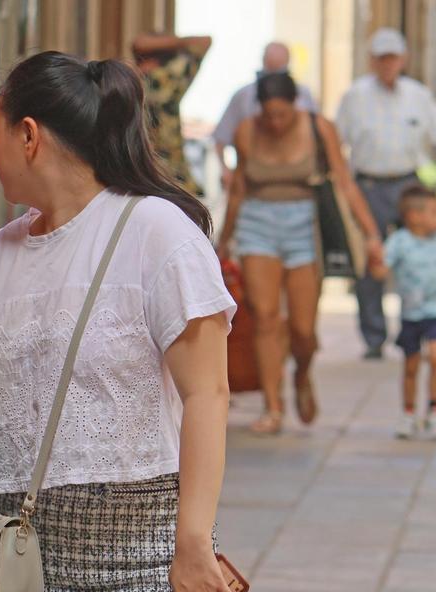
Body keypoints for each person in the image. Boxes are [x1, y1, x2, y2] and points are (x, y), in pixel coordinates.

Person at [0, 53, 238, 592]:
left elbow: (207, 395)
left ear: (26, 134)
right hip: (16, 572)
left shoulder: (157, 231)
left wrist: (192, 544)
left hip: (137, 560)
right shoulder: (4, 250)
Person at [217, 73, 381, 435]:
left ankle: (302, 373)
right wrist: (223, 241)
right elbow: (239, 190)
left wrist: (371, 235)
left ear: (296, 105)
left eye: (283, 115)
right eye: (269, 115)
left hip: (306, 226)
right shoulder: (246, 130)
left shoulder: (319, 128)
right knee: (264, 316)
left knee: (303, 329)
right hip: (257, 222)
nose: (276, 123)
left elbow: (344, 181)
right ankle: (273, 406)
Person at [336, 27, 436, 359]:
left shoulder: (417, 95)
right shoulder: (355, 96)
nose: (387, 64)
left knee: (423, 256)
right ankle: (374, 336)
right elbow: (335, 142)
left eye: (393, 57)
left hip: (409, 185)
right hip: (368, 187)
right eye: (381, 58)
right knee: (373, 259)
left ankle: (422, 326)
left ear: (403, 59)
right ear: (372, 60)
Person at [372, 185, 436, 440]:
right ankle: (408, 412)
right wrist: (374, 260)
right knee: (411, 365)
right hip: (411, 315)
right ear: (414, 216)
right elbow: (381, 272)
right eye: (434, 213)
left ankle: (435, 410)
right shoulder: (399, 242)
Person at [213, 42, 318, 190]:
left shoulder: (304, 95)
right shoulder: (243, 97)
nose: (275, 123)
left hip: (297, 183)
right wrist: (225, 170)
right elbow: (221, 137)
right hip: (253, 186)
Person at [133, 32, 212, 196]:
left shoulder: (164, 80)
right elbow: (139, 43)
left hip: (159, 175)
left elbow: (139, 43)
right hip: (161, 176)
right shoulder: (165, 80)